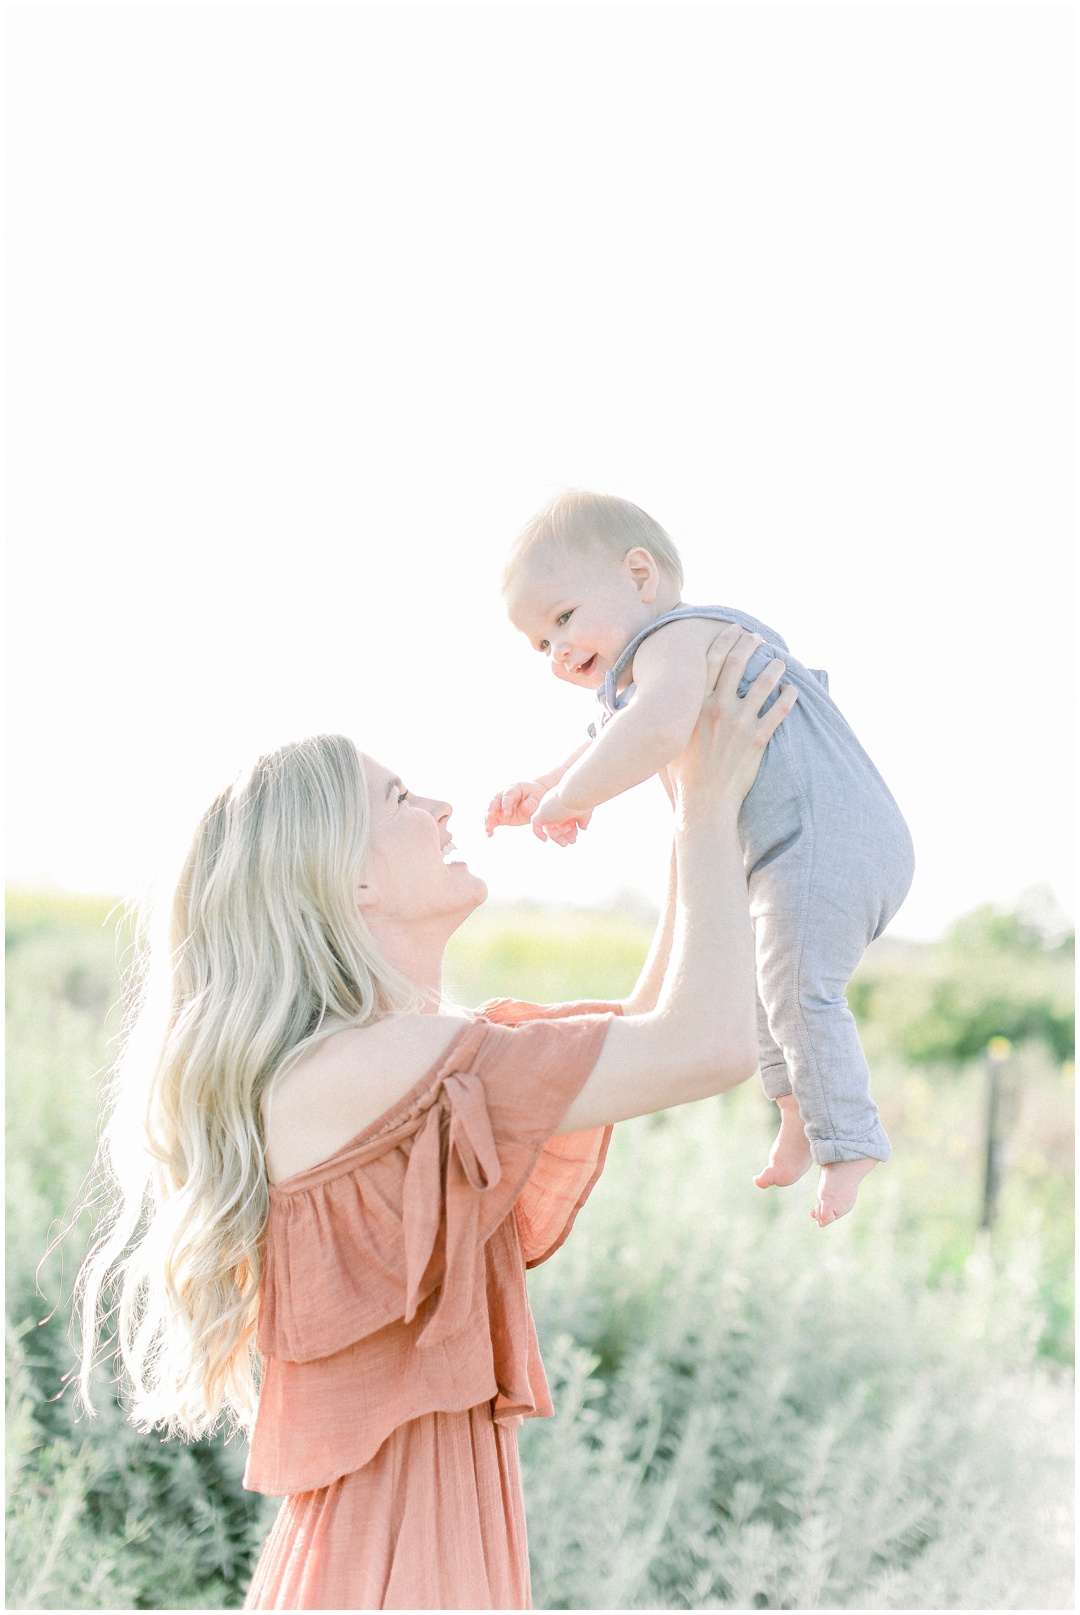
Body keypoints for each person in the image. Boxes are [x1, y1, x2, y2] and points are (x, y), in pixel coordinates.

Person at [74, 625, 794, 1611]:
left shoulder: (371, 1062)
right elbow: (706, 1045)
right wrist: (708, 811)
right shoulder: (380, 1064)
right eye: (402, 799)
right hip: (405, 1556)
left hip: (394, 1549)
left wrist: (690, 810)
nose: (445, 805)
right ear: (350, 876)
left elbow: (648, 1032)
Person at [487, 490, 915, 1227]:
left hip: (830, 838)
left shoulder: (679, 639)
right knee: (756, 982)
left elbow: (655, 730)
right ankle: (798, 1114)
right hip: (792, 849)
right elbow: (610, 737)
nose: (556, 650)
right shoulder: (650, 669)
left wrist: (570, 798)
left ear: (640, 576)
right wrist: (548, 785)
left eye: (562, 618)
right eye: (539, 644)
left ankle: (850, 1141)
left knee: (796, 985)